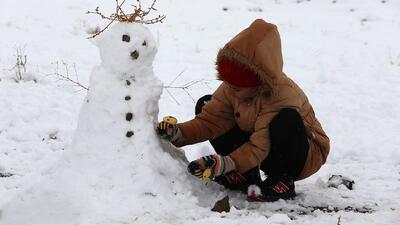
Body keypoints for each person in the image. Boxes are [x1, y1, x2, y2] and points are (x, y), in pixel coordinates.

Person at [157, 19, 330, 202]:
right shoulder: (232, 87)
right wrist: (178, 134)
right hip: (258, 142)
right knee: (206, 103)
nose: (230, 89)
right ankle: (245, 175)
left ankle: (282, 180)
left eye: (237, 87)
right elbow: (210, 121)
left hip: (303, 153)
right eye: (227, 83)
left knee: (285, 119)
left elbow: (260, 146)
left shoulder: (282, 95)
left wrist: (225, 164)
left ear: (257, 82)